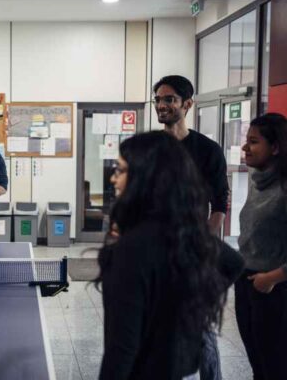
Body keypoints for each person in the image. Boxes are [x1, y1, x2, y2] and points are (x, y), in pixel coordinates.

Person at [96, 131, 242, 380]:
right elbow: (233, 263)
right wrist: (189, 300)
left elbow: (121, 349)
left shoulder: (129, 251)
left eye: (121, 170)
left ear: (144, 178)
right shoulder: (184, 233)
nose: (113, 179)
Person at [153, 75, 229, 380]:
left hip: (192, 252)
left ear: (187, 103)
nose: (162, 105)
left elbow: (220, 204)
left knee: (200, 328)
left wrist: (203, 245)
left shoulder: (208, 150)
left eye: (169, 99)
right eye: (158, 99)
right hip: (155, 251)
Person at [236, 113, 287, 379]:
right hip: (248, 282)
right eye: (246, 140)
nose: (245, 147)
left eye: (253, 142)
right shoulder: (258, 180)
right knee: (259, 363)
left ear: (276, 147)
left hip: (274, 288)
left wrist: (272, 278)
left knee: (275, 366)